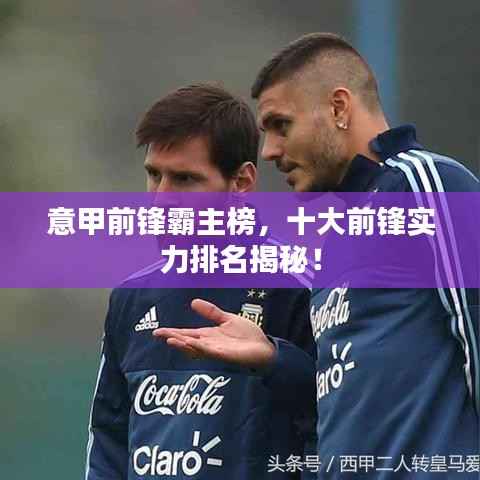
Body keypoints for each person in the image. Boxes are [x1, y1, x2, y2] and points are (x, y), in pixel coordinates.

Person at [154, 34, 479, 478]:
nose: (269, 151)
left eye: (281, 125)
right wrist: (273, 357)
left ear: (339, 108)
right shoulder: (336, 238)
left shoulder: (425, 185)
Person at [84, 83, 317, 480]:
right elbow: (109, 441)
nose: (161, 199)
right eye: (154, 175)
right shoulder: (132, 296)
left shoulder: (300, 287)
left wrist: (276, 361)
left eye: (184, 179)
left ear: (241, 183)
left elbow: (341, 421)